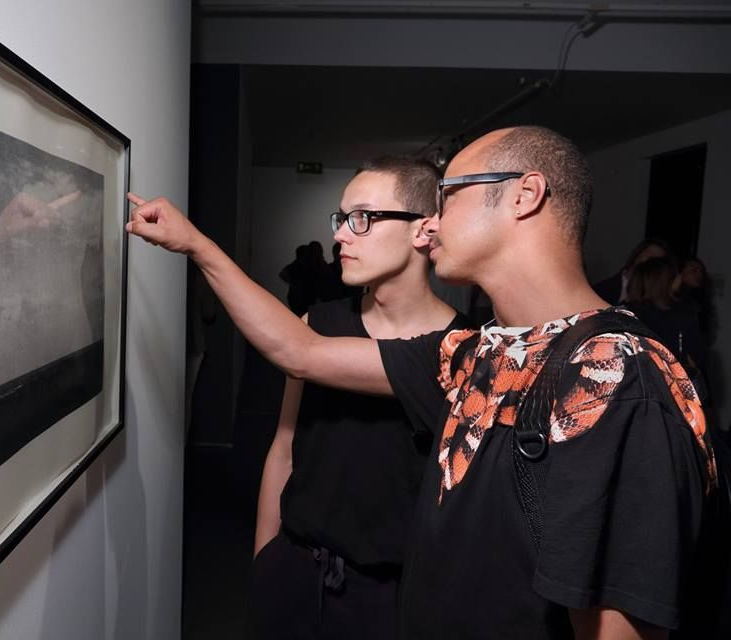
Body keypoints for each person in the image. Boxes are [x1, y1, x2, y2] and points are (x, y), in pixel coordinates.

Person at [126, 125, 716, 638]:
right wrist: (196, 245)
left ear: (524, 196)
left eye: (450, 195)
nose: (433, 222)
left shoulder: (618, 377)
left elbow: (618, 624)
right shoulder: (473, 352)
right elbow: (299, 350)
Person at [251, 156, 469, 640]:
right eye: (342, 218)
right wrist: (265, 561)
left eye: (363, 218)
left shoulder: (464, 351)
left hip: (393, 599)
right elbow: (284, 448)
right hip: (295, 577)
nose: (340, 235)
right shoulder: (319, 323)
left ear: (423, 231)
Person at [592, 237, 674, 304]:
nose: (651, 264)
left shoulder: (656, 300)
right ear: (637, 254)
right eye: (650, 257)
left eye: (657, 263)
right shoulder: (602, 290)